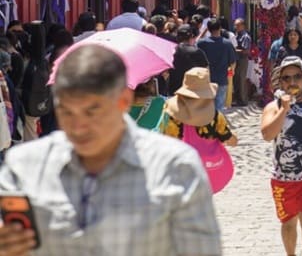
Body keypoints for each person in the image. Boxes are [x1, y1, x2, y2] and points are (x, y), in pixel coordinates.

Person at [0, 45, 221, 255]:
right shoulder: (24, 167)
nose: (78, 127)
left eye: (92, 111)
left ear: (123, 101)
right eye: (67, 112)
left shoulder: (175, 167)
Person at [261, 57, 302, 256]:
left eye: (297, 76)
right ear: (281, 82)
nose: (292, 82)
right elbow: (267, 134)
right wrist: (283, 110)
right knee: (288, 224)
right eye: (287, 78)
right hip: (282, 178)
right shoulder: (273, 106)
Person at [196, 18, 237, 112]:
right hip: (222, 78)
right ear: (220, 28)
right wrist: (232, 72)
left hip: (206, 78)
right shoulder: (227, 43)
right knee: (219, 106)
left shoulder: (202, 43)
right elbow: (233, 62)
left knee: (206, 106)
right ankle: (218, 124)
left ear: (208, 29)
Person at [170, 24, 209, 95]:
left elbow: (165, 73)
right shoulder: (197, 51)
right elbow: (206, 71)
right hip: (192, 91)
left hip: (174, 90)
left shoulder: (171, 51)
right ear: (191, 37)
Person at [232, 18, 252, 106]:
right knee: (236, 80)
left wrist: (234, 50)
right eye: (235, 25)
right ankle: (237, 99)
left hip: (242, 60)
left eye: (238, 25)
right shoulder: (236, 35)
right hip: (237, 60)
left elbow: (246, 51)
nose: (236, 27)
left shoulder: (245, 37)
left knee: (241, 79)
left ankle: (243, 100)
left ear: (243, 26)